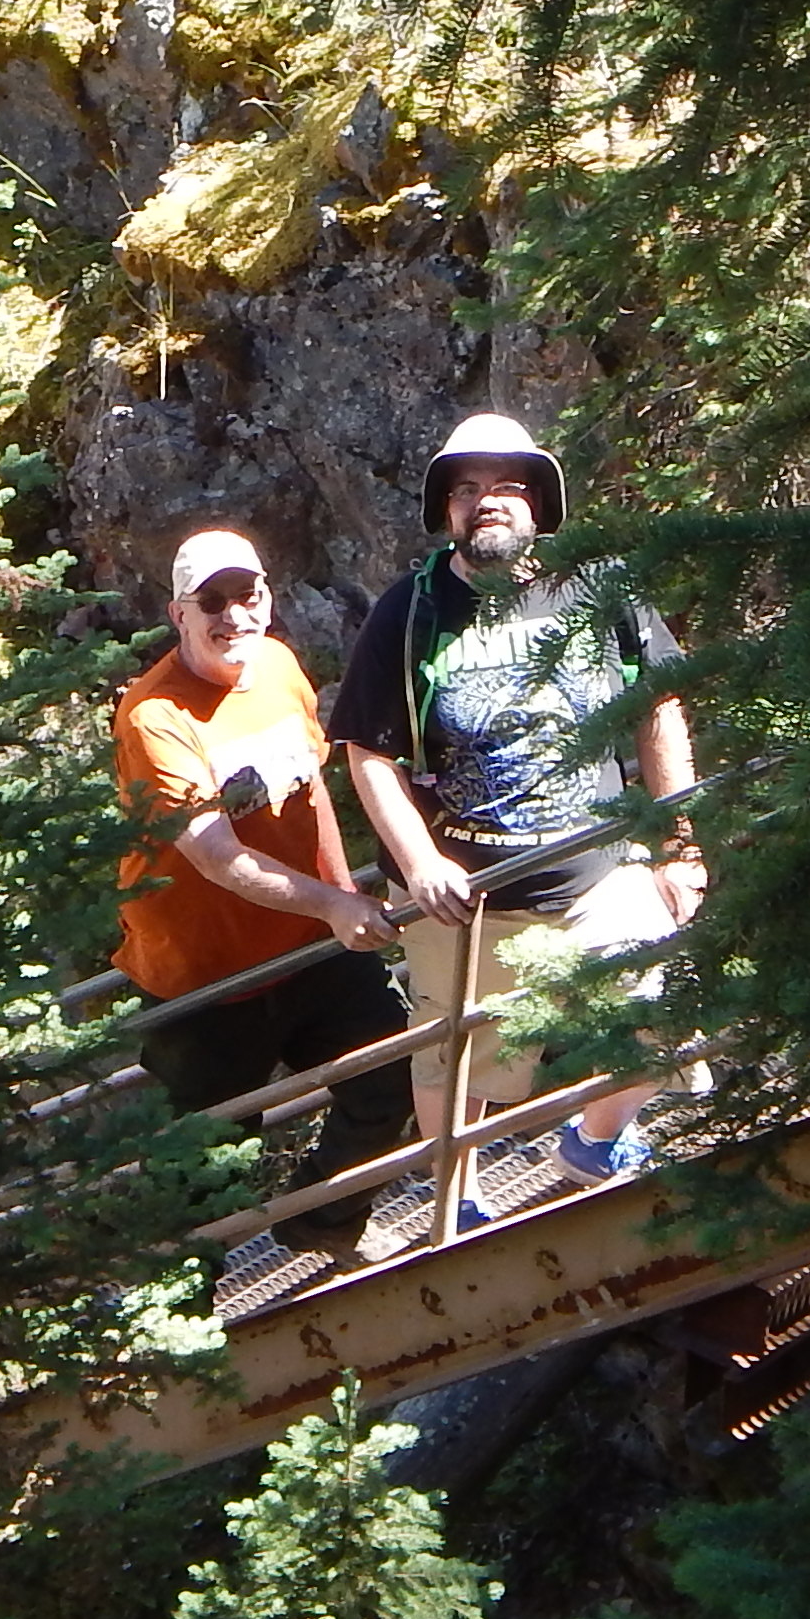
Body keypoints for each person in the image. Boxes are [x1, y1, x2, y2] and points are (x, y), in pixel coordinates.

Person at [325, 412, 701, 1196]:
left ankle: (595, 1142)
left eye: (507, 486)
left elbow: (659, 706)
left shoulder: (598, 585)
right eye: (466, 488)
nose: (486, 500)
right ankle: (455, 1207)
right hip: (463, 899)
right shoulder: (411, 611)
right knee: (457, 1062)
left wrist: (680, 844)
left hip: (599, 871)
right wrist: (418, 863)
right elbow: (369, 752)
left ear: (540, 502)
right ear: (446, 511)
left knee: (659, 1009)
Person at [113, 523, 417, 1259]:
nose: (233, 615)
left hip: (313, 948)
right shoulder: (155, 718)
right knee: (208, 1166)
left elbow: (312, 783)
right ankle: (187, 1309)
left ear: (267, 598)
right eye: (210, 602)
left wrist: (343, 895)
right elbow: (217, 856)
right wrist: (335, 903)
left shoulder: (279, 666)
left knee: (394, 1080)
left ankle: (321, 1223)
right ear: (178, 614)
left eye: (246, 595)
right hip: (206, 984)